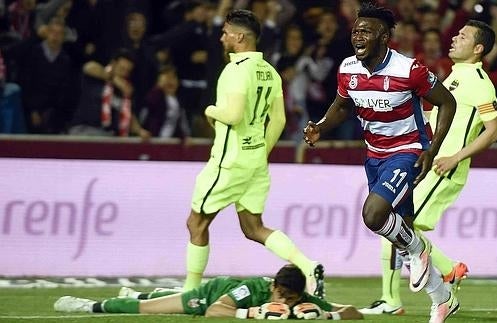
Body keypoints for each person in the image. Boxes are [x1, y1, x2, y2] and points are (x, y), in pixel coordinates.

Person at [302, 3, 457, 322]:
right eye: (355, 30)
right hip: (375, 154)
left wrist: (432, 149)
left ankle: (417, 250)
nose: (358, 35)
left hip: (409, 150)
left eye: (366, 31)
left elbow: (447, 102)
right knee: (399, 228)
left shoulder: (408, 69)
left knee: (373, 215)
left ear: (384, 37)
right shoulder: (348, 68)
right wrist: (320, 125)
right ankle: (441, 299)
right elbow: (342, 107)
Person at [360, 20, 497, 318]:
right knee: (395, 225)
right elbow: (438, 114)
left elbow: (493, 131)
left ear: (478, 48)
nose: (454, 38)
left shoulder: (479, 82)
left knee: (395, 225)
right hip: (426, 161)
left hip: (443, 168)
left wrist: (455, 158)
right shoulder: (454, 77)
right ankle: (428, 281)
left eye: (463, 36)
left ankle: (418, 287)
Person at [182, 9, 325, 299]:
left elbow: (232, 115)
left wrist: (209, 110)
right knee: (253, 227)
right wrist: (260, 151)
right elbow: (281, 121)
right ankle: (308, 265)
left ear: (239, 37)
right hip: (255, 160)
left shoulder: (235, 70)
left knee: (196, 223)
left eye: (225, 32)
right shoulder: (269, 71)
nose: (222, 37)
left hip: (229, 161)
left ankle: (190, 291)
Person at [54, 264, 363, 320]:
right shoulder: (254, 289)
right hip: (212, 294)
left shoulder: (303, 300)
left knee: (161, 297)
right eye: (281, 295)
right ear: (273, 287)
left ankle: (139, 293)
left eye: (291, 299)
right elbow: (217, 310)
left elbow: (354, 313)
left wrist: (326, 315)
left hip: (221, 297)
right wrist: (254, 313)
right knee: (154, 309)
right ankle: (88, 306)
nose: (284, 301)